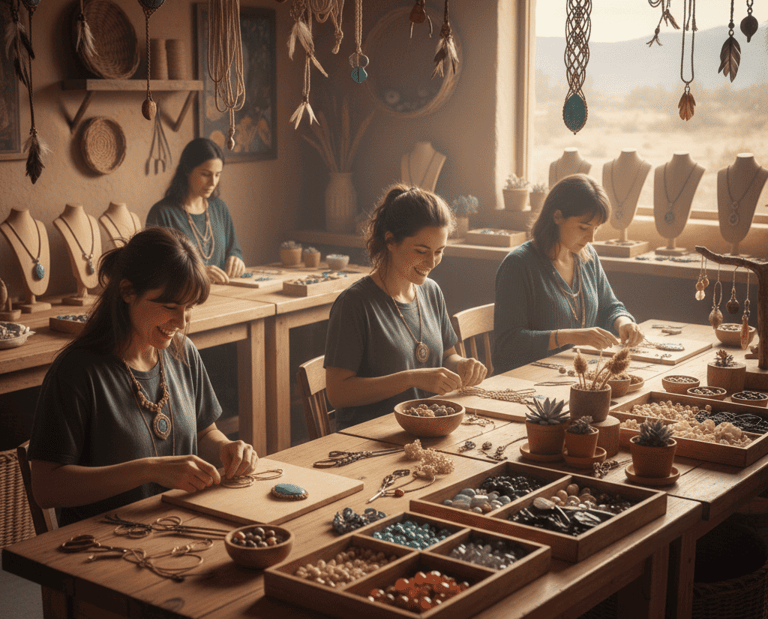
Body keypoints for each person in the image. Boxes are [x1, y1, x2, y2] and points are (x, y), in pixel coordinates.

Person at [28, 227, 258, 526]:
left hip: (179, 526)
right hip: (103, 540)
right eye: (169, 307)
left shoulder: (183, 352)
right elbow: (46, 488)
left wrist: (227, 448)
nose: (181, 321)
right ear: (127, 291)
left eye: (189, 307)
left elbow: (204, 433)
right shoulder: (76, 372)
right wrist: (149, 470)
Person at [325, 184, 487, 430]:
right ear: (390, 240)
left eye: (439, 251)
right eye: (421, 251)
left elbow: (447, 356)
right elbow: (338, 393)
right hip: (370, 438)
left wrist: (462, 365)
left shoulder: (431, 291)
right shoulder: (354, 304)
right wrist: (411, 378)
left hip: (426, 431)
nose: (431, 262)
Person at [493, 174, 643, 374]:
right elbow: (507, 344)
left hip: (572, 376)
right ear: (557, 217)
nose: (590, 238)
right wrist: (570, 336)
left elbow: (610, 307)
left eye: (596, 228)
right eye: (583, 227)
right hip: (523, 379)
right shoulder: (518, 265)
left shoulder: (587, 257)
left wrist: (624, 322)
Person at [146, 138, 245, 284]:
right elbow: (153, 268)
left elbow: (234, 250)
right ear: (187, 170)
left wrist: (236, 260)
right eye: (205, 174)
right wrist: (196, 273)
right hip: (183, 296)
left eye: (217, 174)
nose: (213, 182)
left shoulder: (219, 208)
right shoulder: (162, 213)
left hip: (224, 293)